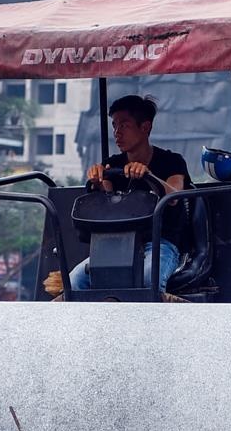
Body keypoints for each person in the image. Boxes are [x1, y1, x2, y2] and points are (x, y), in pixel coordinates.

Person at [69, 93, 191, 293]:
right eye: (114, 126)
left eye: (124, 125)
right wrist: (97, 182)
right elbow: (105, 193)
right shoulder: (113, 164)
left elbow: (174, 196)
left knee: (147, 279)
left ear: (145, 127)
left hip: (160, 244)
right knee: (75, 281)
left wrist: (149, 175)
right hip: (116, 245)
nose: (117, 133)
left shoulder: (172, 161)